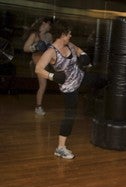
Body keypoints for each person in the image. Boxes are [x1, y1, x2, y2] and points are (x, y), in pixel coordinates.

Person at [35, 20, 104, 159]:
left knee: (102, 79)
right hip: (69, 87)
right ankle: (60, 148)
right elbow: (38, 69)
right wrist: (52, 76)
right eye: (69, 34)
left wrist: (83, 54)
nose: (71, 36)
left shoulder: (69, 44)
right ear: (62, 34)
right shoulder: (51, 52)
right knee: (70, 115)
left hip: (81, 77)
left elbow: (77, 50)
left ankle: (102, 104)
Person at [23, 17, 53, 116]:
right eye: (49, 24)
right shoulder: (34, 35)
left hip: (45, 62)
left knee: (43, 85)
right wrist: (35, 47)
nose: (50, 26)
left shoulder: (49, 36)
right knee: (43, 85)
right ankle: (38, 107)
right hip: (37, 62)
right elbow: (25, 48)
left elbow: (52, 50)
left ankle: (39, 106)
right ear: (44, 24)